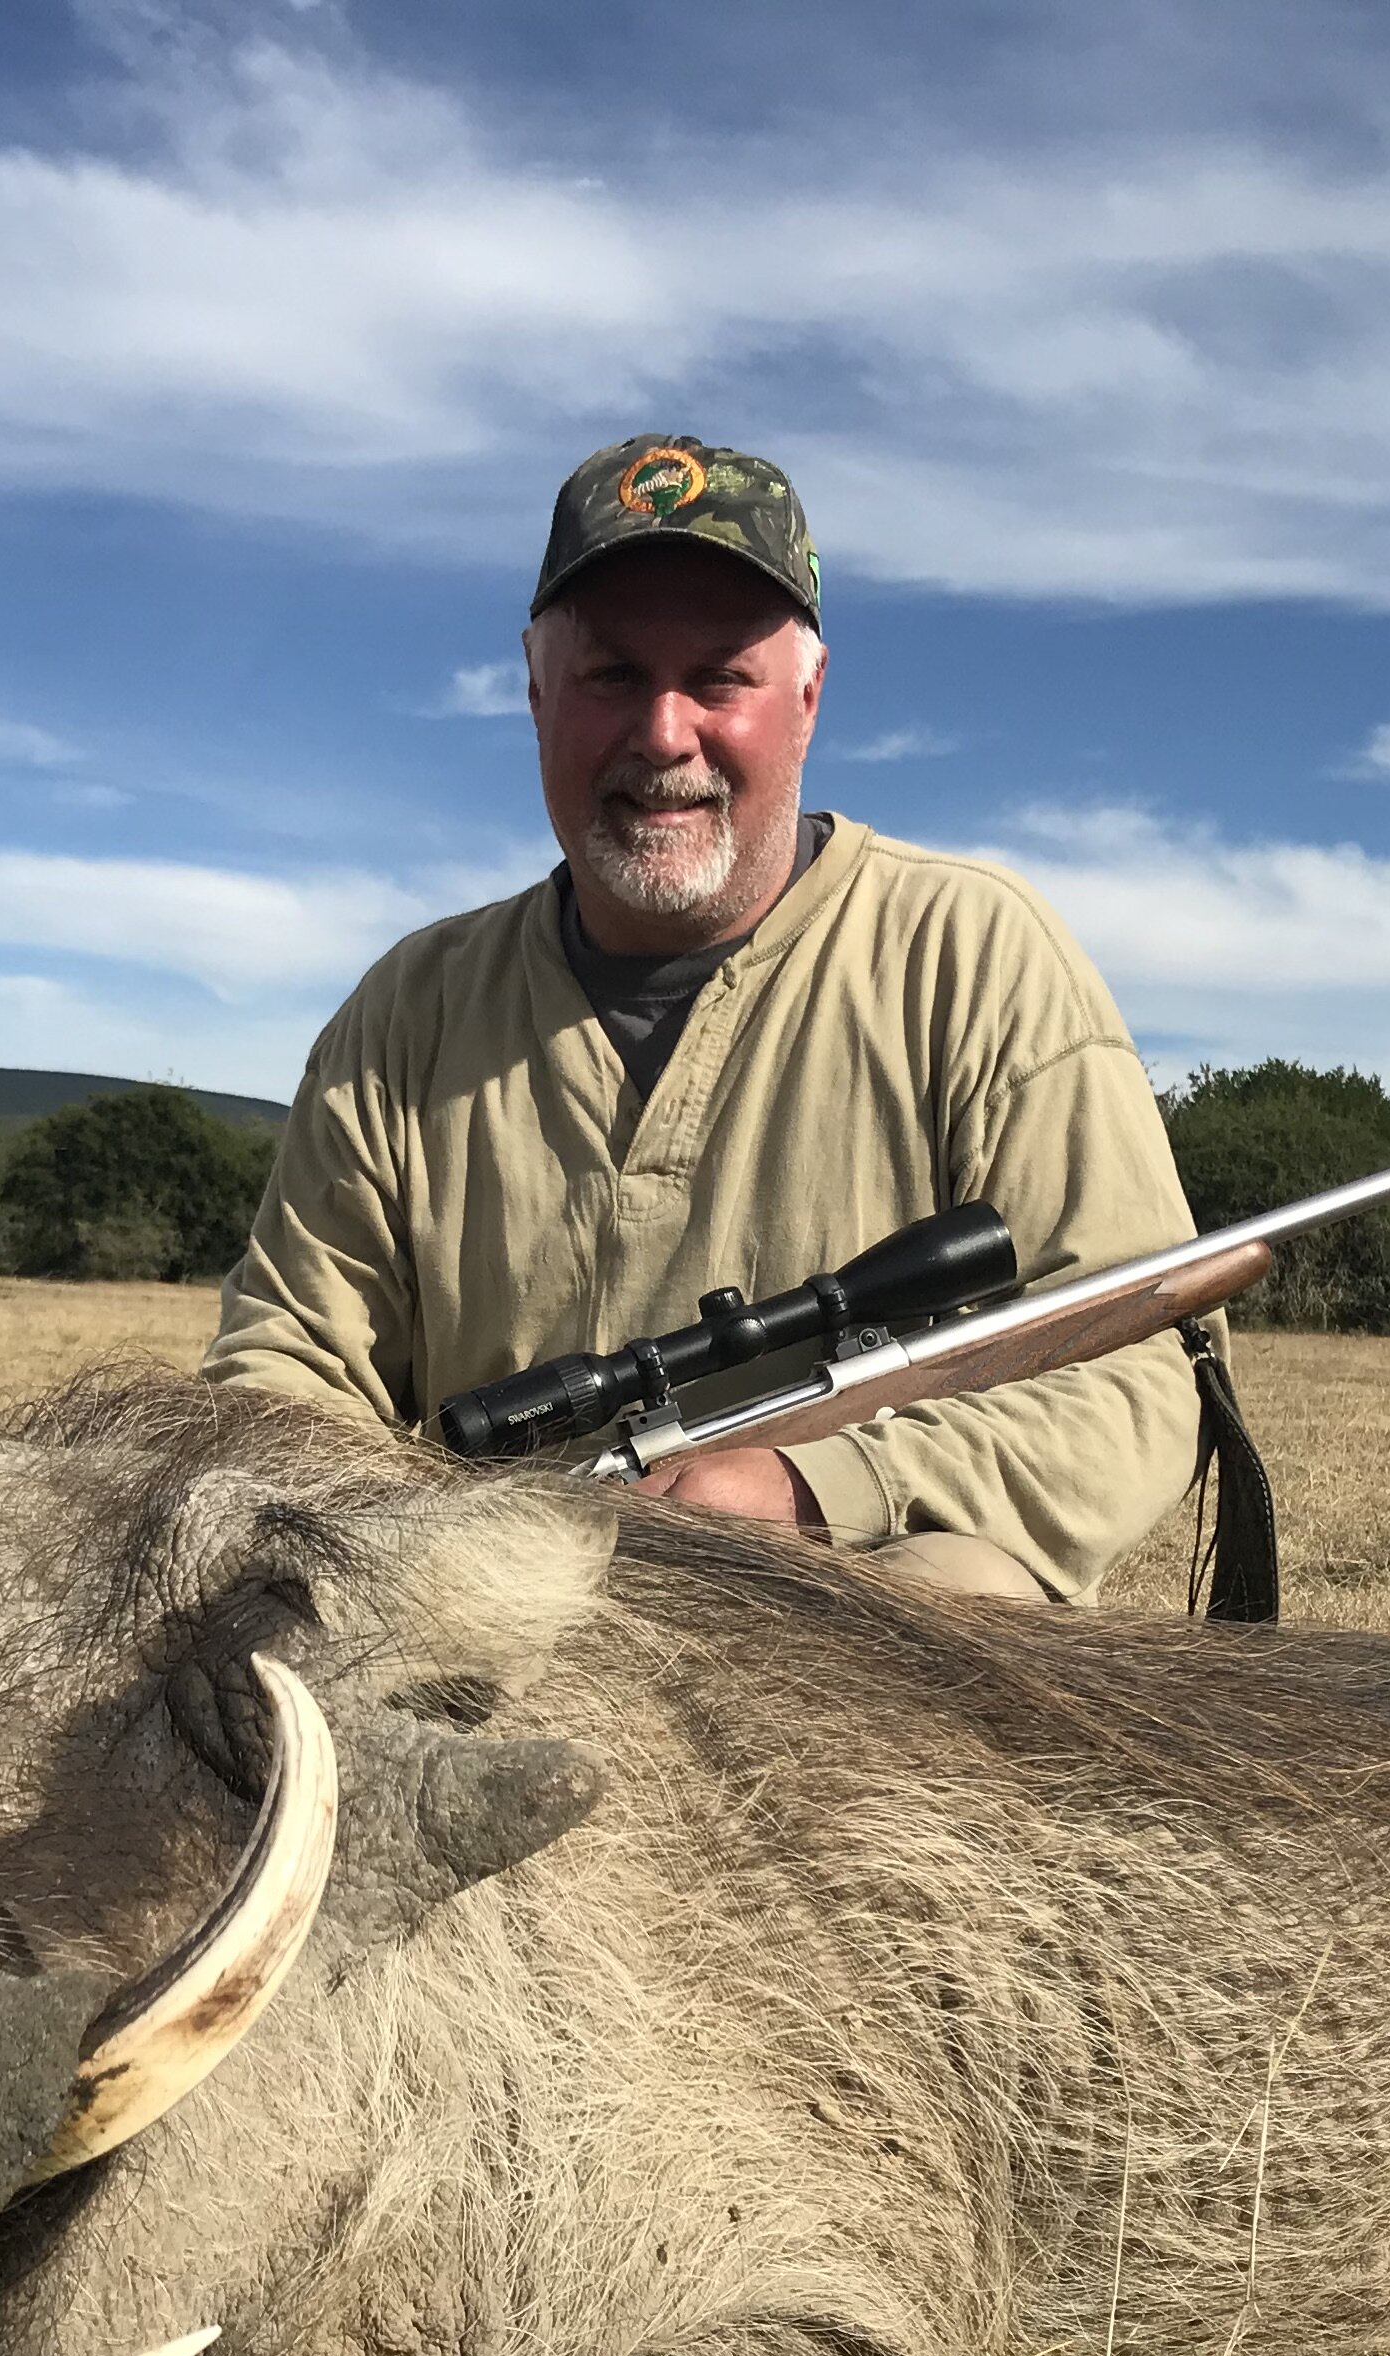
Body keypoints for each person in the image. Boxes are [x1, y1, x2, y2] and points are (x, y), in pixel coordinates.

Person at [203, 432, 1206, 1603]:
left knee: (945, 1608)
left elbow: (1133, 1382)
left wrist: (815, 1491)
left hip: (871, 1631)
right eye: (612, 676)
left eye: (719, 678)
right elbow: (280, 1372)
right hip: (497, 1602)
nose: (664, 734)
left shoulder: (977, 957)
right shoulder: (408, 1010)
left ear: (809, 697)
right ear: (536, 689)